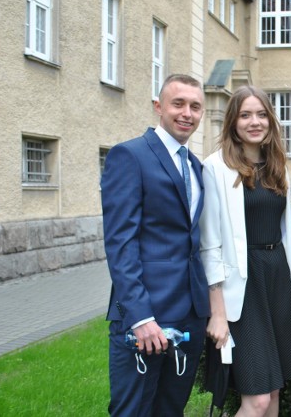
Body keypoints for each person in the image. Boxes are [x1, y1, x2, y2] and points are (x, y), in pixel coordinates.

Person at [101, 74, 210, 416]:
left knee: (170, 409)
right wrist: (140, 317)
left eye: (195, 106)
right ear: (158, 107)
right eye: (178, 104)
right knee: (133, 410)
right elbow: (121, 242)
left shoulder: (194, 166)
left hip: (189, 315)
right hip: (146, 317)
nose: (187, 113)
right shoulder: (130, 156)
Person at [200, 85, 291, 417]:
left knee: (272, 394)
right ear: (232, 122)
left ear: (271, 121)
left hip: (277, 283)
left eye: (261, 114)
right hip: (242, 289)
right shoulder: (215, 167)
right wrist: (217, 312)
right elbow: (209, 244)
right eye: (245, 115)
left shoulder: (277, 167)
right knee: (256, 399)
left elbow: (286, 232)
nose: (254, 122)